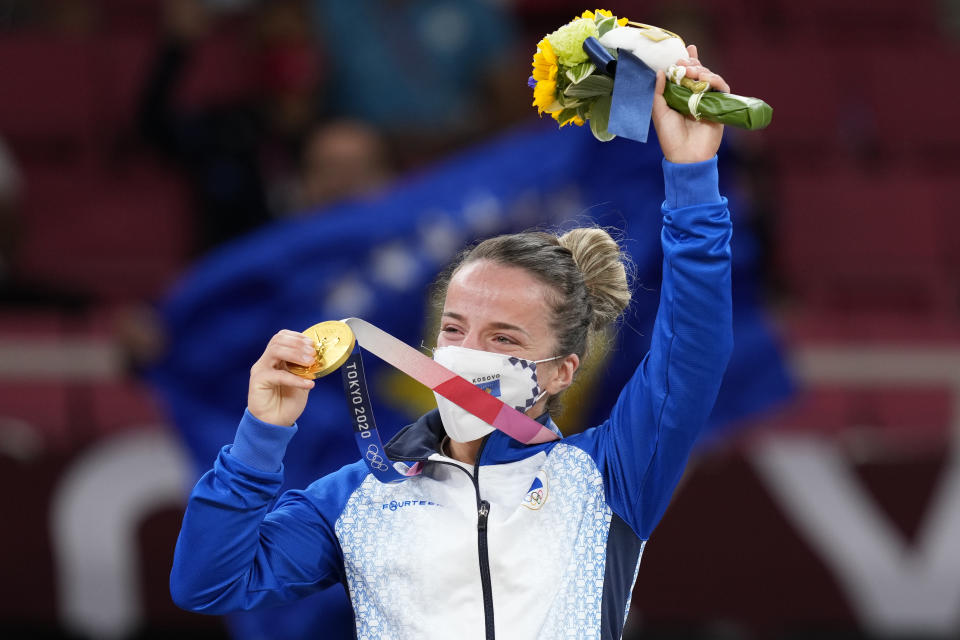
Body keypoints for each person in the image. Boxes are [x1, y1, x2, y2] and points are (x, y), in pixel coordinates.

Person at [170, 47, 733, 639]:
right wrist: (261, 435)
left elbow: (693, 347)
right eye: (455, 329)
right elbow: (208, 583)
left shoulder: (609, 475)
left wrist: (692, 175)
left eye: (503, 336)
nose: (468, 353)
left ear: (561, 371)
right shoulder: (359, 496)